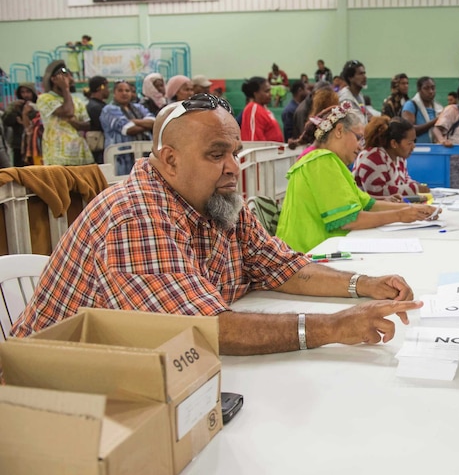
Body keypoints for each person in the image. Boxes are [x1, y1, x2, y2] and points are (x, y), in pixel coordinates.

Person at [11, 94, 422, 353]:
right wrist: (334, 327)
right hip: (52, 400)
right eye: (216, 154)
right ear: (169, 160)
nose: (233, 167)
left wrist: (363, 284)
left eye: (236, 152)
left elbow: (282, 266)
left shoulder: (219, 201)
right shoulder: (135, 215)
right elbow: (205, 328)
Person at [276, 102, 438, 253]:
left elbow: (368, 204)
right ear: (339, 131)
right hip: (307, 255)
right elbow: (349, 220)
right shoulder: (321, 161)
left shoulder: (329, 161)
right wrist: (401, 215)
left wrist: (412, 210)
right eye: (358, 138)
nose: (361, 146)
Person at [354, 116, 429, 198]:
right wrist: (415, 188)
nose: (413, 147)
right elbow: (377, 193)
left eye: (414, 142)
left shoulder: (399, 158)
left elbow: (404, 180)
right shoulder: (372, 158)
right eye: (409, 143)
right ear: (394, 143)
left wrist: (415, 185)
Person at [35, 60, 93, 166]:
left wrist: (75, 123)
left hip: (79, 153)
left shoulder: (77, 100)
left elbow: (87, 124)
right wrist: (65, 89)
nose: (68, 78)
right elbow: (68, 111)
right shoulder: (45, 98)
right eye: (64, 75)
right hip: (57, 155)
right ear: (53, 79)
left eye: (69, 75)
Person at [101, 80, 156, 175]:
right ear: (114, 93)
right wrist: (146, 125)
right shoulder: (108, 110)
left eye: (127, 90)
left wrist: (133, 121)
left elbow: (154, 122)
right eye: (120, 90)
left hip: (144, 157)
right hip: (121, 159)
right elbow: (128, 129)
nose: (124, 93)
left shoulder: (138, 107)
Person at [240, 77, 284, 142]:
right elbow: (253, 141)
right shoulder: (253, 109)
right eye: (267, 91)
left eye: (270, 90)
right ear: (256, 94)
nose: (270, 94)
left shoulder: (263, 108)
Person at [3, 83, 38, 167]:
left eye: (28, 92)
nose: (25, 95)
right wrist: (13, 110)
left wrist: (26, 115)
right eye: (22, 92)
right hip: (18, 145)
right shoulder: (15, 106)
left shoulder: (38, 105)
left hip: (35, 144)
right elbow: (7, 122)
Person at [401, 77, 443, 144]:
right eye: (426, 88)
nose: (430, 91)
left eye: (433, 88)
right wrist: (435, 121)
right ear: (419, 89)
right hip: (417, 151)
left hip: (435, 150)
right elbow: (409, 130)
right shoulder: (410, 105)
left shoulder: (438, 107)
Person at [84, 75, 110, 164]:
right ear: (100, 88)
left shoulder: (97, 105)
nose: (108, 90)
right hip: (99, 149)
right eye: (107, 87)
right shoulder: (96, 107)